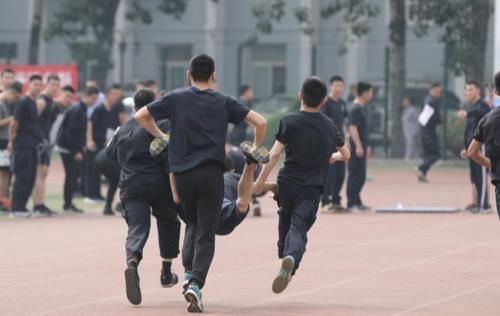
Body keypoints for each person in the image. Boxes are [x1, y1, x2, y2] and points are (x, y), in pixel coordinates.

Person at [135, 54, 267, 313]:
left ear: (188, 74)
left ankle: (187, 275)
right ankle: (196, 283)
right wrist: (254, 147)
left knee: (192, 224)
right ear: (213, 75)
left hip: (182, 175)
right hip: (210, 174)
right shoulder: (223, 101)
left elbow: (141, 115)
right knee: (206, 231)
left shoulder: (175, 98)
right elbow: (260, 122)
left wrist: (163, 136)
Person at [254, 76, 350, 294]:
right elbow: (346, 154)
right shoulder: (329, 125)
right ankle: (290, 258)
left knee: (285, 216)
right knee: (299, 227)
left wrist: (260, 182)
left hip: (286, 184)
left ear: (300, 95)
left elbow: (275, 154)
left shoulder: (289, 120)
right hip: (311, 188)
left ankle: (285, 255)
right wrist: (333, 156)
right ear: (323, 100)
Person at [107, 89, 181, 306]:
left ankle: (132, 260)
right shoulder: (164, 124)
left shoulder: (124, 127)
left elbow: (110, 153)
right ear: (156, 104)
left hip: (131, 185)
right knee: (168, 221)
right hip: (159, 184)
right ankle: (166, 273)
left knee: (137, 228)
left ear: (133, 108)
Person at [56, 86, 99, 213]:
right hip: (68, 149)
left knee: (72, 176)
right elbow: (71, 133)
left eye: (96, 99)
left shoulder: (81, 109)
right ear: (85, 96)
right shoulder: (77, 110)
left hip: (70, 147)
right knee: (71, 176)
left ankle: (68, 203)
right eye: (93, 98)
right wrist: (76, 151)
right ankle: (67, 204)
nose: (94, 101)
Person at [8, 75, 44, 217]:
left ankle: (22, 207)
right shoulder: (23, 102)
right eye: (35, 84)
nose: (38, 87)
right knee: (22, 176)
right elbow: (14, 123)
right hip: (22, 145)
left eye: (40, 85)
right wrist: (12, 142)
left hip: (32, 145)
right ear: (29, 85)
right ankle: (15, 208)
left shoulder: (33, 102)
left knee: (30, 176)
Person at [85, 84, 125, 209]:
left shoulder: (119, 108)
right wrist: (89, 140)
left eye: (118, 95)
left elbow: (123, 124)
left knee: (116, 178)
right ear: (107, 95)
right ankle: (93, 194)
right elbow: (90, 124)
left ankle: (111, 204)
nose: (116, 97)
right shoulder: (99, 109)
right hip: (99, 144)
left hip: (113, 147)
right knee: (95, 171)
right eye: (114, 94)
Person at [468, 71, 500, 219]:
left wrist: (492, 165)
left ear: (496, 92)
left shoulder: (487, 120)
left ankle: (482, 203)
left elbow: (472, 151)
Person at [458, 81, 491, 212]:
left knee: (481, 174)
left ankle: (483, 205)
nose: (468, 93)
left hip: (481, 147)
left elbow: (480, 112)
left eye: (471, 90)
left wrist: (466, 113)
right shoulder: (470, 107)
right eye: (466, 90)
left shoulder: (482, 106)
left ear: (478, 91)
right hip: (471, 148)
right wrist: (465, 147)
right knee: (474, 176)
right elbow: (469, 131)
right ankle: (476, 202)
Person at [32, 74, 61, 215]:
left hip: (46, 141)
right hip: (39, 141)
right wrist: (39, 139)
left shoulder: (51, 101)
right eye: (52, 84)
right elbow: (34, 121)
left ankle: (41, 203)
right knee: (39, 173)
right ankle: (37, 205)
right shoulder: (41, 100)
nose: (55, 87)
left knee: (43, 173)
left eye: (57, 85)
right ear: (47, 84)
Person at [320, 75, 348, 212]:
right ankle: (325, 202)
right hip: (328, 144)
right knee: (329, 173)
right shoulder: (326, 103)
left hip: (340, 143)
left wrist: (345, 140)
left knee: (340, 173)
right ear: (331, 87)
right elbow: (323, 123)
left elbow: (344, 124)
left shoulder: (342, 104)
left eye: (341, 85)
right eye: (336, 85)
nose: (339, 88)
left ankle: (336, 200)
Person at [346, 82, 373, 211]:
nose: (372, 95)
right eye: (370, 92)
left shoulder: (363, 107)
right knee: (355, 174)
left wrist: (366, 146)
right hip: (356, 145)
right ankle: (351, 202)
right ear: (364, 93)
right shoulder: (355, 108)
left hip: (363, 144)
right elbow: (352, 128)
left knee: (361, 175)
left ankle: (357, 200)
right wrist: (358, 146)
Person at [416, 83, 442, 182]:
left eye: (440, 91)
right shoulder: (430, 102)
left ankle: (422, 174)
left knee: (428, 154)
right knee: (436, 154)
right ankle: (421, 168)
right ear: (431, 90)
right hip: (428, 132)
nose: (439, 93)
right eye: (437, 91)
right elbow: (427, 118)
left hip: (426, 131)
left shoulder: (428, 101)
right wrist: (438, 121)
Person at [0, 82, 21, 201]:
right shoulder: (1, 104)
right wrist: (12, 118)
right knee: (3, 173)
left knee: (6, 172)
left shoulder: (5, 104)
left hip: (4, 140)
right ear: (11, 93)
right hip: (1, 141)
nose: (14, 100)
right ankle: (3, 200)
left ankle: (5, 199)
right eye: (15, 97)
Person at [402, 96, 420, 161]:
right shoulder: (405, 110)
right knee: (412, 145)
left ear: (409, 102)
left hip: (412, 131)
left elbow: (418, 121)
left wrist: (416, 130)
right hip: (406, 131)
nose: (404, 103)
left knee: (410, 144)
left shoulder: (413, 110)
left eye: (405, 101)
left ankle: (407, 157)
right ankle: (417, 158)